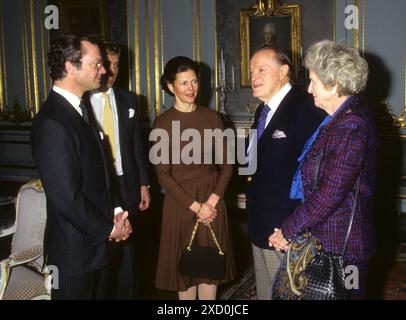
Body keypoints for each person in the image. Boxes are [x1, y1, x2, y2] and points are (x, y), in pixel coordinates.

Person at [269, 40, 378, 300]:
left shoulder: (351, 125)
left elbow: (329, 193)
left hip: (345, 249)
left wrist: (287, 231)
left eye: (314, 82)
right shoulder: (338, 119)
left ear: (335, 85)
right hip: (329, 242)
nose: (308, 89)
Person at [31, 34, 132, 300]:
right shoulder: (54, 122)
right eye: (97, 63)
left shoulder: (78, 109)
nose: (105, 69)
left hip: (95, 247)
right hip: (74, 255)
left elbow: (99, 173)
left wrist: (117, 211)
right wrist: (110, 229)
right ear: (69, 66)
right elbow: (66, 199)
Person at [245, 45, 325, 300]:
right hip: (261, 222)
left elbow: (318, 175)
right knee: (267, 293)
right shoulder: (262, 111)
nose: (253, 77)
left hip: (288, 229)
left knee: (290, 293)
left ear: (283, 71)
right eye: (250, 71)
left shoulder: (307, 108)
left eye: (261, 69)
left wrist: (296, 227)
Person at [152, 56, 235, 300]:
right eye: (184, 83)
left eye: (195, 81)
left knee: (209, 267)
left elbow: (227, 165)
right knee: (185, 271)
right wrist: (197, 206)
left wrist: (211, 202)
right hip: (181, 202)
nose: (191, 88)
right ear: (170, 87)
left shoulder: (212, 118)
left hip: (212, 197)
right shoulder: (162, 124)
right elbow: (163, 175)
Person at [85, 41, 151, 299]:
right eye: (106, 64)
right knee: (101, 249)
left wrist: (144, 183)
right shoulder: (83, 102)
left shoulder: (129, 100)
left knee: (129, 253)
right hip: (98, 187)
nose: (111, 72)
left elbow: (137, 147)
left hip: (126, 184)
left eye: (117, 65)